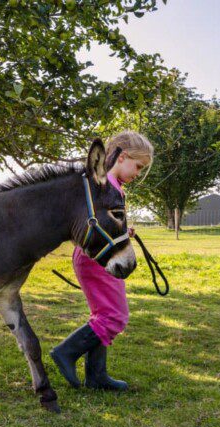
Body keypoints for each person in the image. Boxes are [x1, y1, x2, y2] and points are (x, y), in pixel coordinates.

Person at [50, 130, 154, 391]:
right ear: (123, 156)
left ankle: (97, 376)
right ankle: (66, 352)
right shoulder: (104, 184)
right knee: (115, 316)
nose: (138, 173)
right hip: (96, 258)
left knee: (103, 314)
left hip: (95, 256)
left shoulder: (112, 185)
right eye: (138, 166)